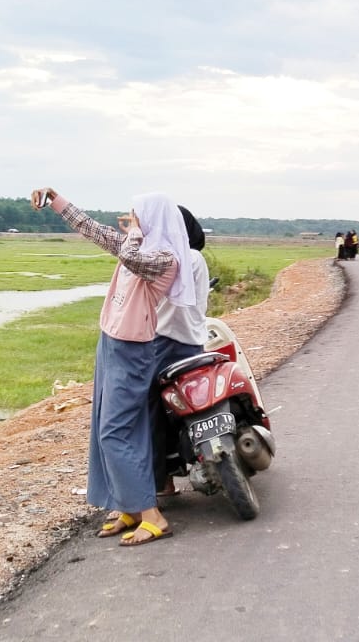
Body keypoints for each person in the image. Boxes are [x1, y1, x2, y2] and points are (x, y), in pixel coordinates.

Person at [30, 186, 195, 546]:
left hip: (132, 350)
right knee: (109, 429)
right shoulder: (140, 246)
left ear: (152, 219)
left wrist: (134, 234)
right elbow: (92, 229)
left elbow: (131, 258)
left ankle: (151, 515)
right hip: (111, 342)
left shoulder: (165, 259)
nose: (131, 220)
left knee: (115, 430)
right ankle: (128, 506)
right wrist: (57, 201)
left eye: (136, 214)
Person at [149, 206, 211, 499]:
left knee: (150, 409)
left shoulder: (183, 258)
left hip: (166, 344)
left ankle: (163, 480)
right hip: (194, 344)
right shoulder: (197, 258)